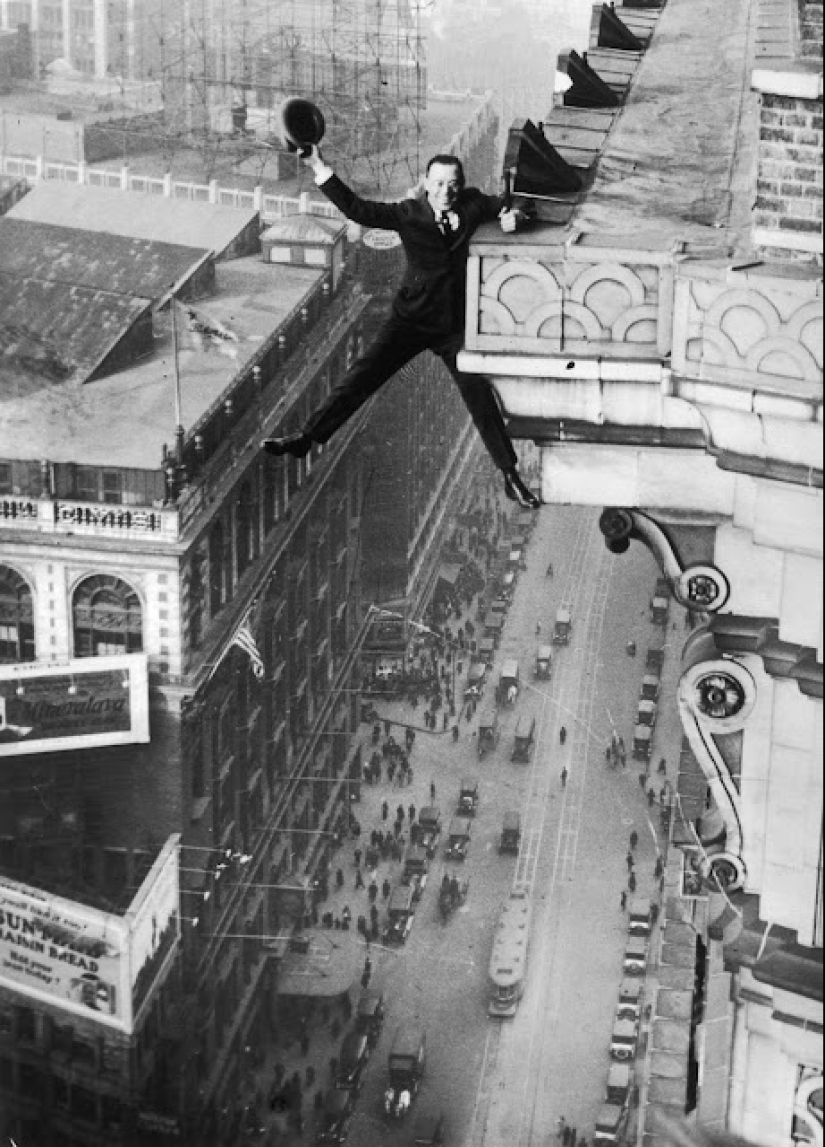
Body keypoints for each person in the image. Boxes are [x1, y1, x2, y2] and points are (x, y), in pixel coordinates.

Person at [262, 148, 540, 509]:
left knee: (478, 395)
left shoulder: (473, 205)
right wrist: (318, 165)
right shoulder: (408, 214)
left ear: (463, 186)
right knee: (362, 374)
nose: (446, 192)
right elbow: (358, 209)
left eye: (453, 185)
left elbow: (518, 203)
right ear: (426, 184)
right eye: (439, 184)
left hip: (453, 327)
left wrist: (517, 215)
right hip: (410, 320)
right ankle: (306, 438)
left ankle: (510, 476)